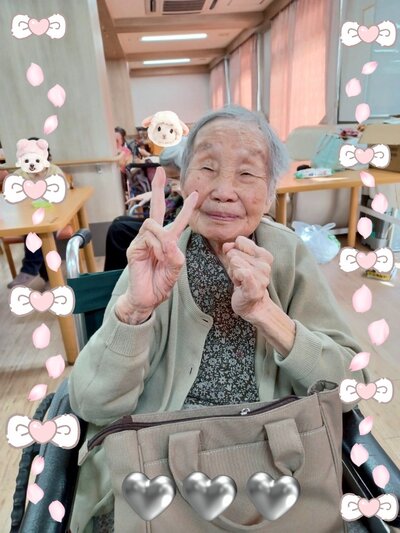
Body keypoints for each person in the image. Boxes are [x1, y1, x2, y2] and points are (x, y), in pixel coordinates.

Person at [69, 106, 367, 532]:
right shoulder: (156, 254)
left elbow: (351, 388)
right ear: (182, 179)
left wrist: (266, 313)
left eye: (247, 174)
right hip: (157, 469)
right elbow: (92, 403)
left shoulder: (288, 255)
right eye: (207, 168)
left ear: (269, 193)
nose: (224, 191)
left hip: (278, 465)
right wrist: (135, 310)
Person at [103, 139, 185, 271]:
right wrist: (153, 193)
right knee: (119, 221)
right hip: (167, 220)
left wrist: (184, 193)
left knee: (118, 230)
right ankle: (120, 273)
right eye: (169, 177)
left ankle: (115, 277)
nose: (170, 181)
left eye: (175, 177)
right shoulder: (177, 183)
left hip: (173, 228)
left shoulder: (193, 187)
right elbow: (171, 188)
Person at [6, 138, 68, 289]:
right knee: (34, 231)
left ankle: (30, 269)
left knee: (39, 233)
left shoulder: (54, 171)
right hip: (29, 218)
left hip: (54, 216)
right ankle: (47, 278)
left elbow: (63, 191)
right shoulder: (20, 173)